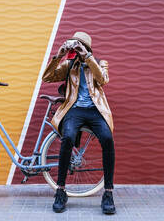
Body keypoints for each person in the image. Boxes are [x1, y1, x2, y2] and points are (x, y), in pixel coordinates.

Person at [42, 31, 116, 214]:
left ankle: (108, 192)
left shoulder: (100, 63)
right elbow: (47, 77)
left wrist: (88, 57)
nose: (76, 49)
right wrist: (58, 55)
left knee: (107, 139)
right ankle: (60, 190)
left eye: (80, 45)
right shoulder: (69, 65)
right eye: (74, 45)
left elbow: (103, 80)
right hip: (74, 110)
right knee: (67, 138)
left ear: (87, 48)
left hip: (95, 110)